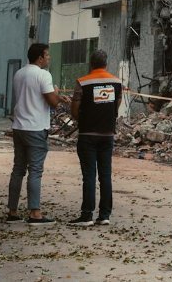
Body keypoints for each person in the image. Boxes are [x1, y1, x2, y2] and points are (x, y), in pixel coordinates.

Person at [6, 43, 61, 225]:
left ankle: (12, 211)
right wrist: (57, 93)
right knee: (35, 171)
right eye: (47, 55)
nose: (49, 58)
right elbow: (52, 101)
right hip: (36, 127)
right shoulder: (43, 75)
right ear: (40, 58)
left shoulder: (19, 73)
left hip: (19, 126)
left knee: (18, 169)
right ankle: (35, 213)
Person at [68, 49, 122, 227]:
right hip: (107, 135)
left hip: (87, 135)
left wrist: (82, 118)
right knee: (105, 175)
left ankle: (86, 215)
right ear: (106, 64)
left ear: (91, 64)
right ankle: (105, 215)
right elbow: (117, 104)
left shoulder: (83, 82)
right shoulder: (116, 82)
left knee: (89, 176)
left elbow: (74, 109)